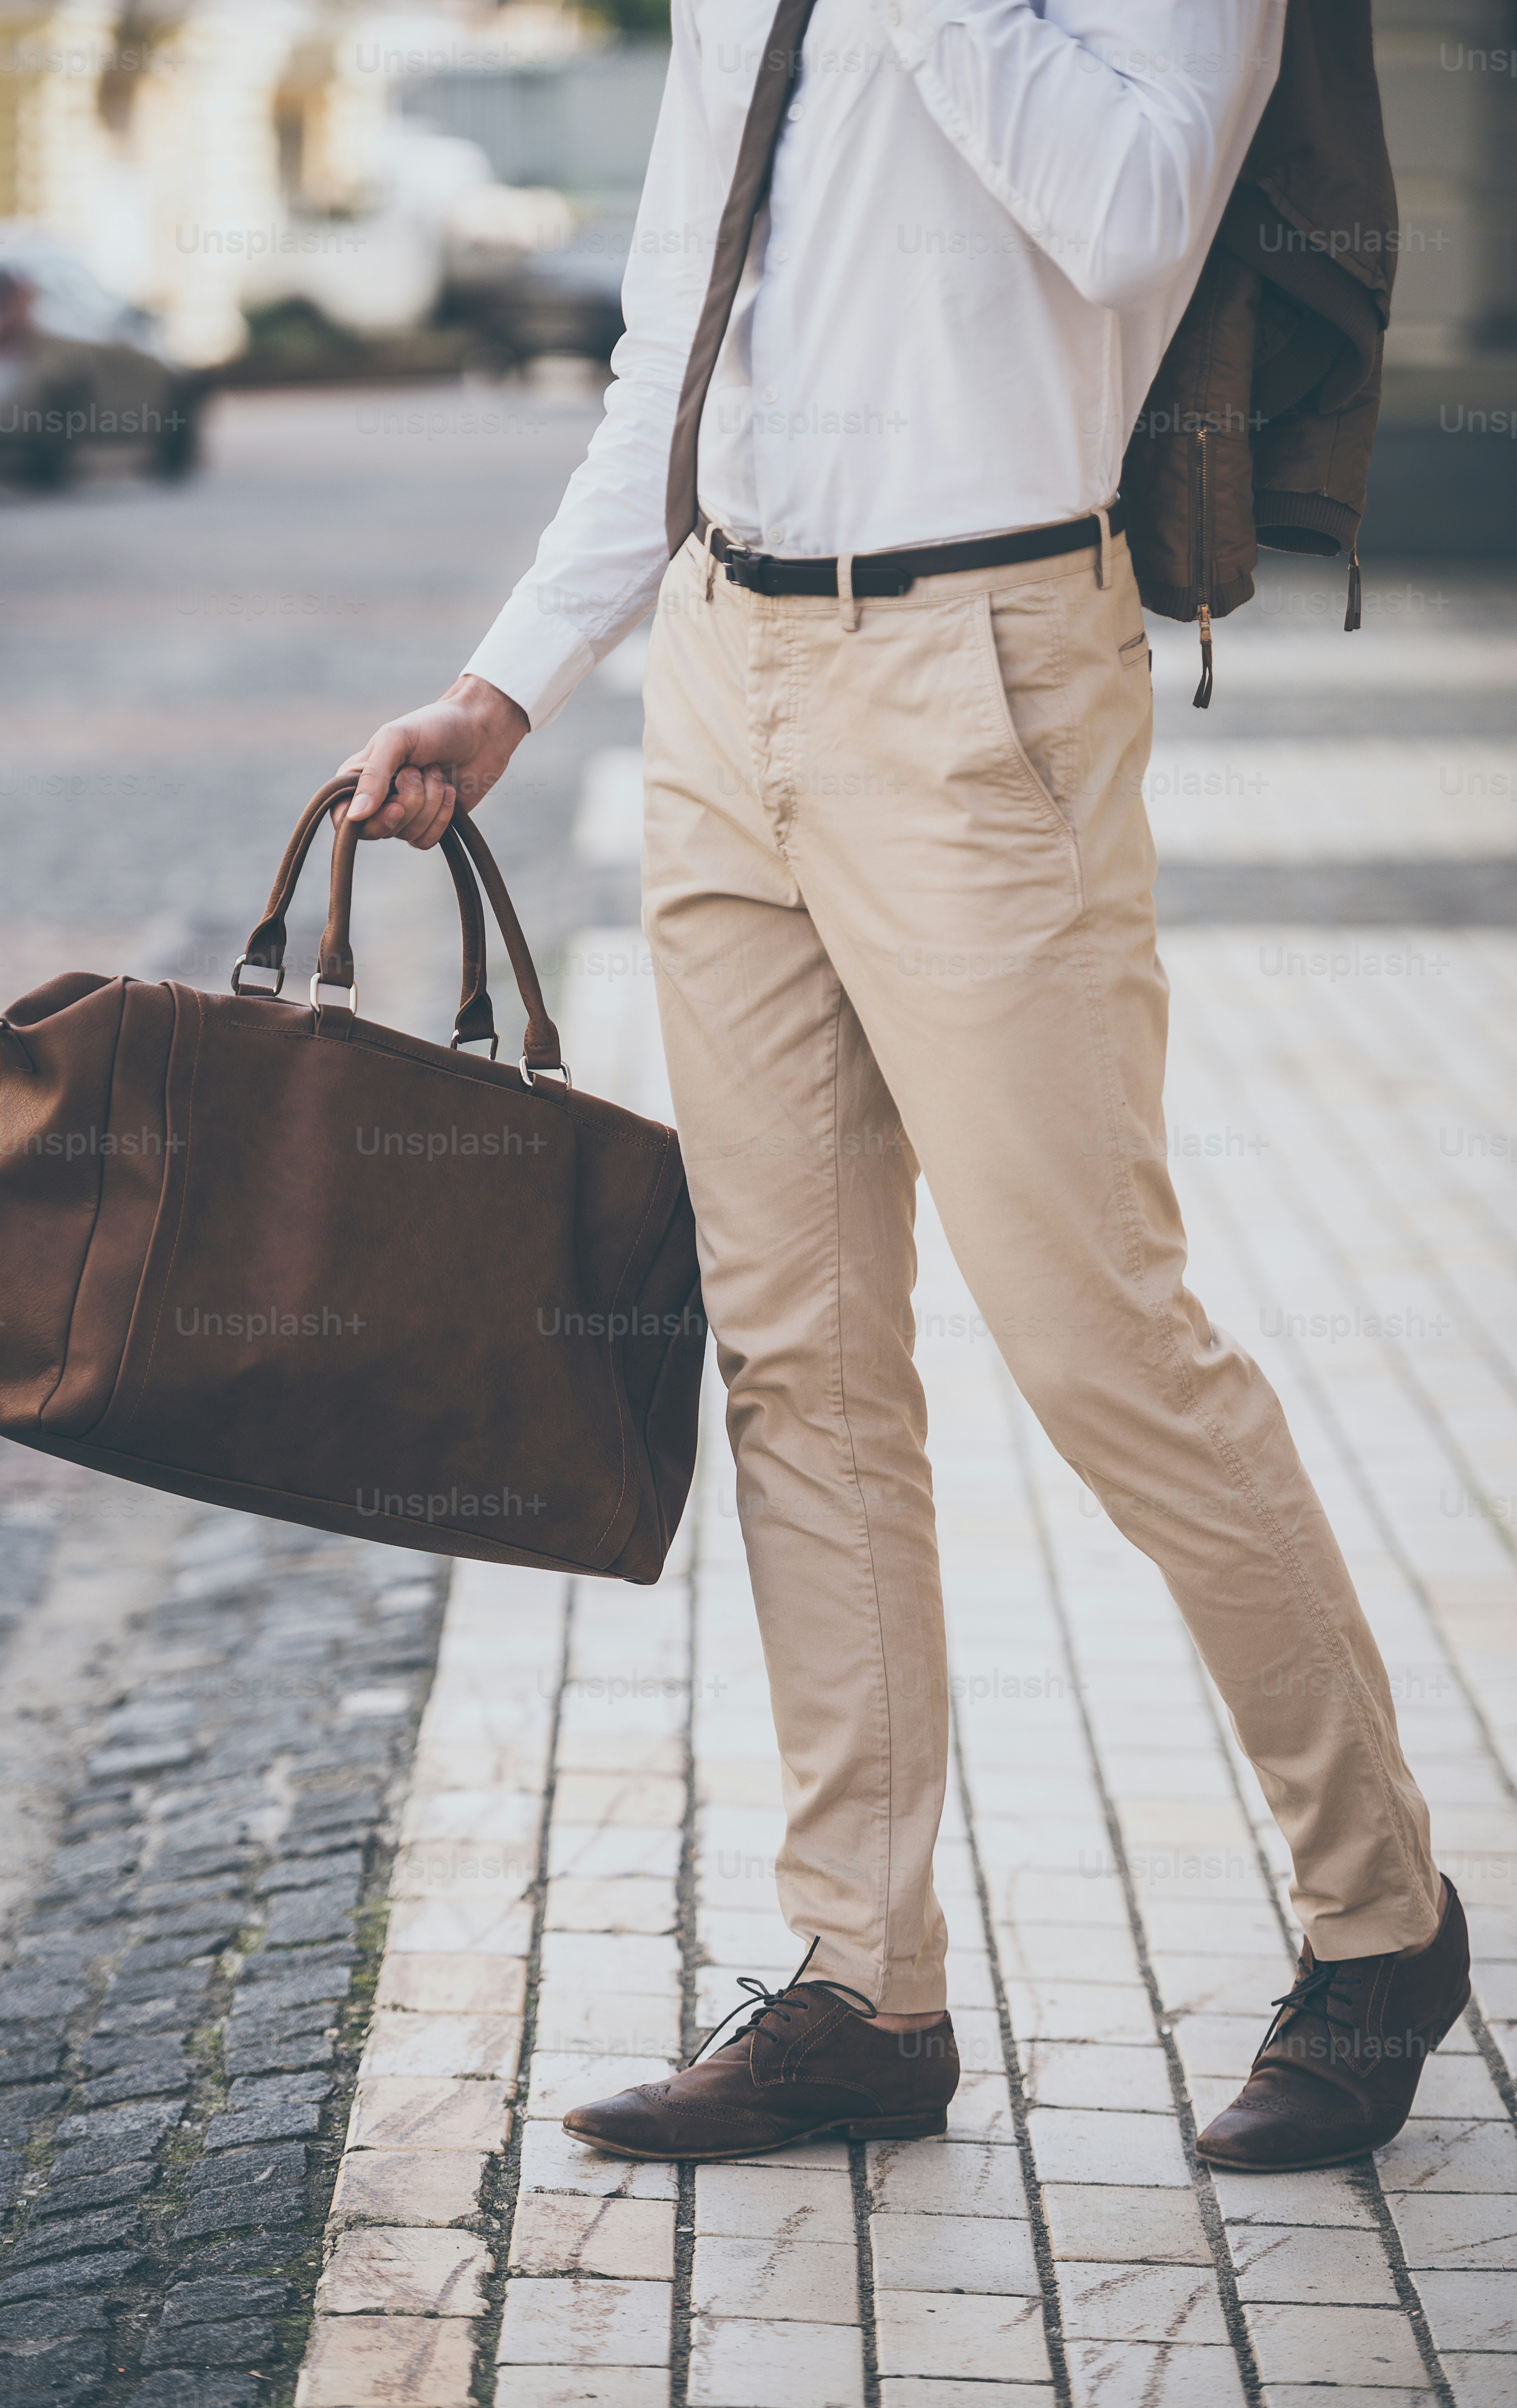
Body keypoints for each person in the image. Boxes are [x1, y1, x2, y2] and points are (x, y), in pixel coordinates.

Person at [339, 0, 1469, 2171]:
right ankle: (865, 1986)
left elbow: (1139, 224)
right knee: (800, 1363)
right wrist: (513, 679)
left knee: (1103, 1341)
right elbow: (670, 342)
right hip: (721, 666)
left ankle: (1379, 1919)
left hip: (990, 674)